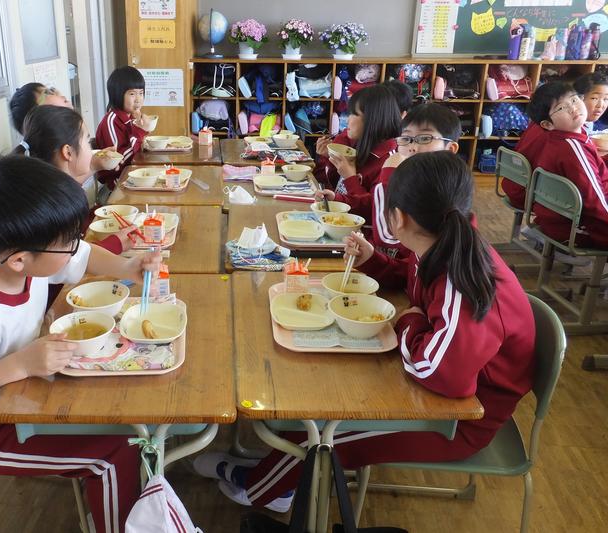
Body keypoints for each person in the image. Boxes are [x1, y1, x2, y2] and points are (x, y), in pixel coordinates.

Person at [196, 152, 536, 511]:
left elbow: (439, 373)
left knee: (322, 437)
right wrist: (373, 260)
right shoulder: (442, 243)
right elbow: (411, 278)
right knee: (314, 408)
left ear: (398, 218)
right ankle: (280, 474)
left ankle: (260, 489)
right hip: (442, 391)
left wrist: (410, 322)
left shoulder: (462, 281)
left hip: (458, 420)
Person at [0, 156, 162, 533]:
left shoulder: (15, 257)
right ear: (20, 260)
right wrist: (20, 364)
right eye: (67, 243)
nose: (75, 248)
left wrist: (127, 267)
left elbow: (82, 256)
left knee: (122, 413)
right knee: (116, 452)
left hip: (25, 392)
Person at [320, 103, 461, 259]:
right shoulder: (413, 178)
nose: (412, 147)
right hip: (383, 258)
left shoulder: (445, 191)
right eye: (406, 138)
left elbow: (388, 236)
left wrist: (387, 175)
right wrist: (338, 199)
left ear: (450, 149)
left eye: (425, 138)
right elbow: (407, 267)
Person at [16, 105, 135, 254]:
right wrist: (114, 244)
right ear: (68, 152)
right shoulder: (53, 204)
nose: (91, 148)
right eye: (87, 141)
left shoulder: (52, 188)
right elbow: (66, 260)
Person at [526, 82, 608, 248]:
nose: (573, 108)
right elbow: (595, 202)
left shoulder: (564, 139)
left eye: (574, 100)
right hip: (577, 229)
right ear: (548, 124)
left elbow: (594, 172)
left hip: (562, 220)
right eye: (561, 108)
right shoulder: (573, 148)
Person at [313, 84, 401, 217]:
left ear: (373, 119)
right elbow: (334, 187)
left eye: (354, 114)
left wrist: (350, 177)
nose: (347, 119)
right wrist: (327, 157)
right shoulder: (359, 145)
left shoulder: (389, 161)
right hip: (339, 219)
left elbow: (373, 212)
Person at [95, 66, 155, 189]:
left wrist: (142, 130)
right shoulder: (111, 121)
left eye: (141, 93)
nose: (138, 99)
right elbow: (119, 160)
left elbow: (137, 149)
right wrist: (141, 131)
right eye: (132, 94)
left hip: (135, 174)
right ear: (117, 95)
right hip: (120, 181)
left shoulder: (131, 117)